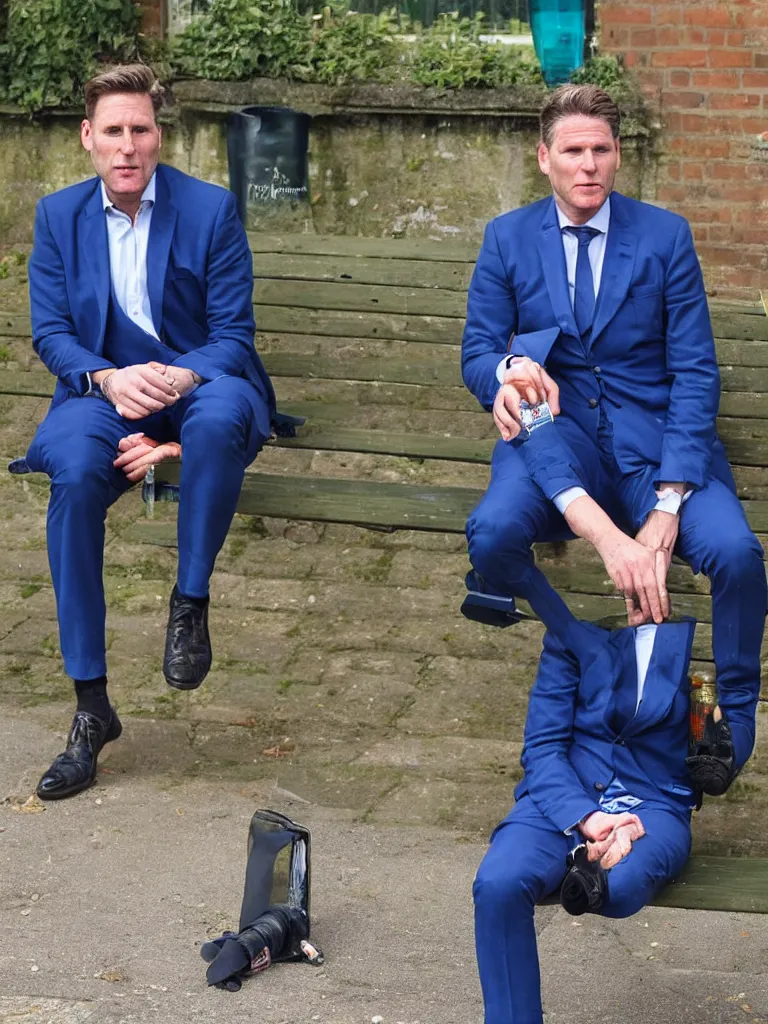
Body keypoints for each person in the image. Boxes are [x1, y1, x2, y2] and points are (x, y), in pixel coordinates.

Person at [460, 83, 766, 716]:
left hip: (658, 452)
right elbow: (478, 353)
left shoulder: (664, 236)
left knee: (737, 554)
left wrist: (668, 503)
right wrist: (508, 370)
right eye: (573, 151)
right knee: (491, 536)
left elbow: (695, 371)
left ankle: (736, 710)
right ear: (544, 157)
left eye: (600, 149)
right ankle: (582, 647)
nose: (588, 165)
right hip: (559, 444)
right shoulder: (507, 237)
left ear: (618, 154)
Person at [24, 64, 277, 800]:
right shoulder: (58, 216)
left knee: (226, 412)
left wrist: (175, 378)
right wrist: (106, 379)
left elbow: (234, 335)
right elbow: (51, 332)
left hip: (196, 383)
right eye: (113, 132)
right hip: (104, 390)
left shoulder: (210, 210)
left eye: (140, 130)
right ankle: (91, 708)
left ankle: (189, 603)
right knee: (71, 472)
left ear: (158, 136)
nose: (127, 146)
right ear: (87, 138)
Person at [472, 591, 756, 1024]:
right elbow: (543, 746)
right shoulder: (570, 630)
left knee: (618, 887)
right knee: (498, 883)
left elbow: (734, 716)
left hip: (654, 805)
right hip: (563, 797)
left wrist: (721, 751)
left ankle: (591, 868)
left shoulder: (693, 643)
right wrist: (587, 816)